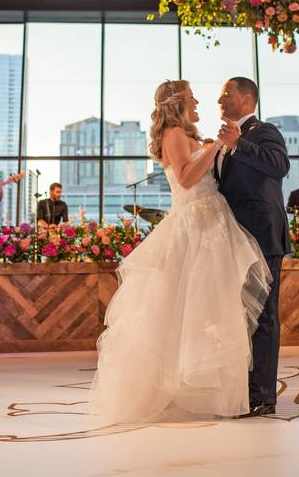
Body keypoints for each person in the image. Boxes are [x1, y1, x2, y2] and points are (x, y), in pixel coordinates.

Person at [90, 80, 273, 424]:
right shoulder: (173, 134)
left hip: (213, 223)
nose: (198, 101)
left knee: (213, 309)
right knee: (189, 308)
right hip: (196, 224)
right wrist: (215, 145)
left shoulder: (187, 135)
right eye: (192, 97)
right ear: (177, 104)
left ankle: (218, 392)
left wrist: (209, 147)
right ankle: (185, 388)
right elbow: (187, 178)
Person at [215, 77, 291, 418]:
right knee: (239, 316)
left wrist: (239, 145)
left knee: (263, 316)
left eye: (227, 93)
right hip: (232, 239)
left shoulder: (263, 130)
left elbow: (279, 165)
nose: (220, 98)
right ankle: (242, 390)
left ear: (247, 99)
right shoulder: (226, 138)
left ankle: (263, 396)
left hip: (261, 235)